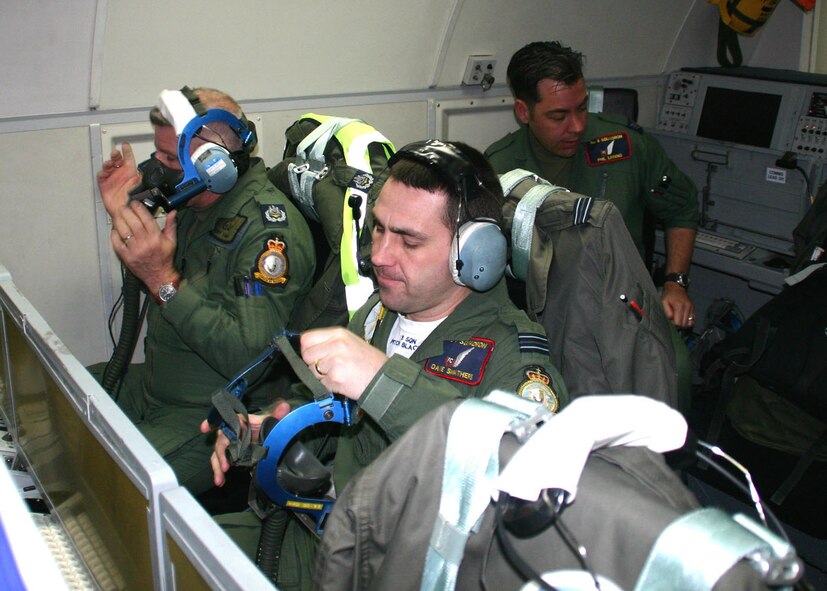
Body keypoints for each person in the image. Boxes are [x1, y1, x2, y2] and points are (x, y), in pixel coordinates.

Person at [202, 139, 569, 590]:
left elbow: (527, 480)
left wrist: (381, 381)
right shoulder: (376, 313)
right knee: (184, 546)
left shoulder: (516, 356)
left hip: (411, 570)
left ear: (476, 254)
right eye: (378, 229)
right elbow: (339, 423)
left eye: (409, 241)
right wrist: (274, 429)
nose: (378, 256)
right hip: (328, 530)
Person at [92, 86, 316, 496]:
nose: (152, 169)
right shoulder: (196, 205)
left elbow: (250, 354)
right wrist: (124, 212)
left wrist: (161, 281)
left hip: (206, 413)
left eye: (166, 158)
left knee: (107, 486)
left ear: (212, 165)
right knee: (61, 401)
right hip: (155, 386)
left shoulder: (267, 231)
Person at [485, 41, 700, 330]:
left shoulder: (627, 146)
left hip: (624, 305)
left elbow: (682, 208)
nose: (576, 126)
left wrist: (675, 284)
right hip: (540, 313)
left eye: (582, 108)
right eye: (558, 116)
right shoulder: (502, 167)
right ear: (524, 112)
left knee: (676, 369)